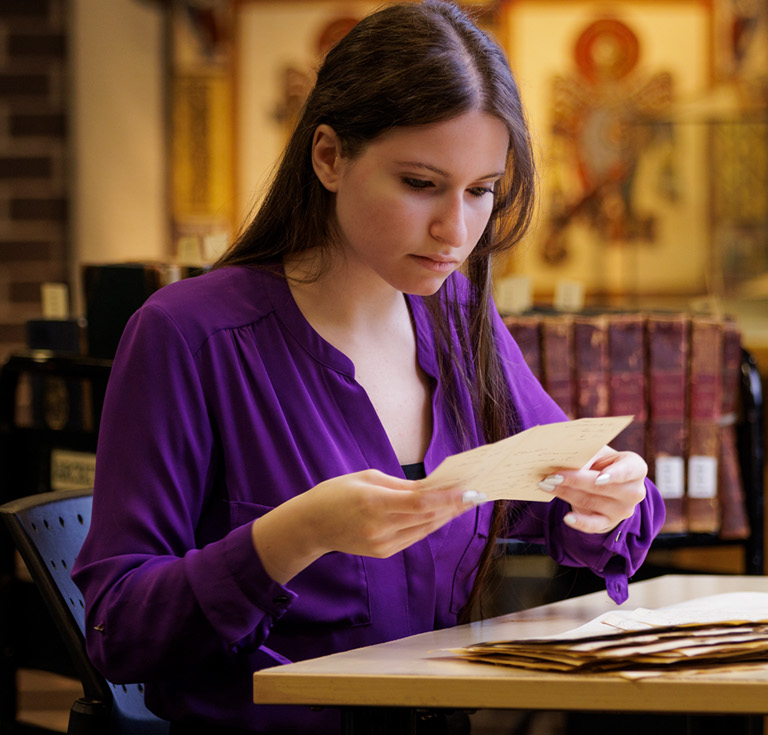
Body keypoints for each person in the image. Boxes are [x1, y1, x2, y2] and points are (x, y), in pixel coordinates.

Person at [70, 2, 663, 732]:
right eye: (420, 183)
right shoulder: (188, 335)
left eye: (481, 191)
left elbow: (566, 492)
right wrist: (295, 534)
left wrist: (607, 500)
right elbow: (118, 630)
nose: (455, 230)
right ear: (328, 156)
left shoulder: (455, 314)